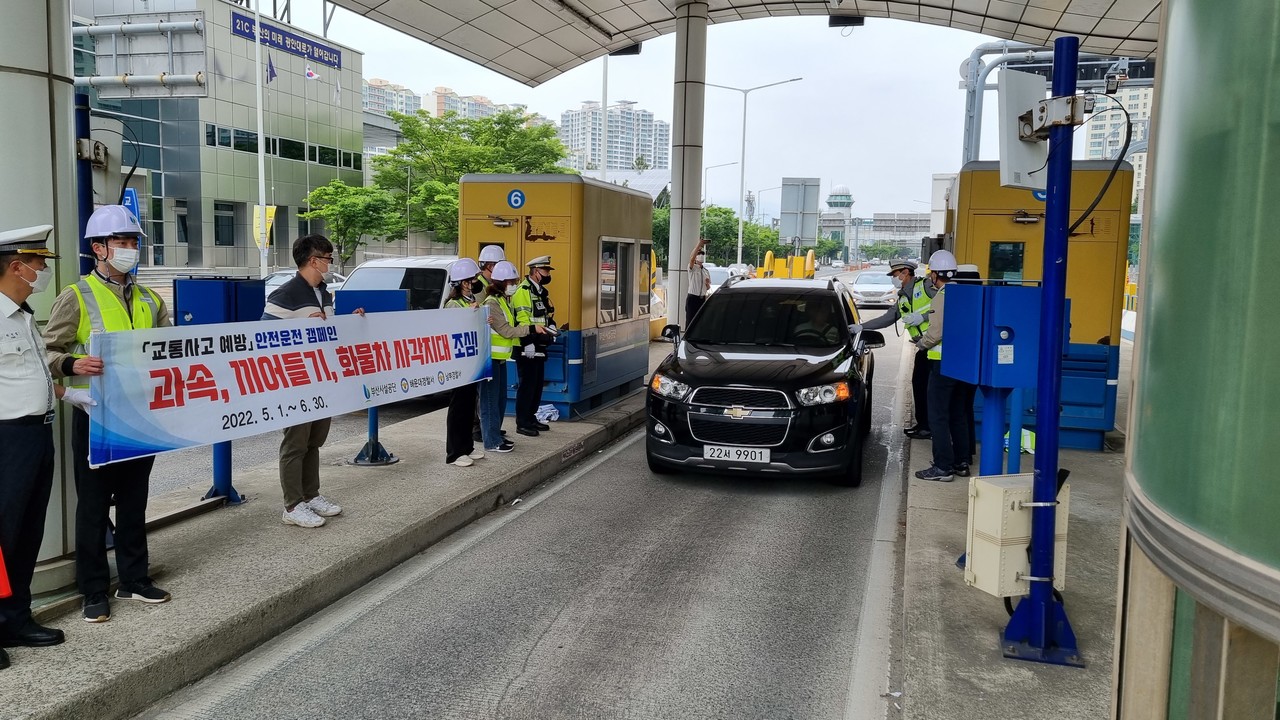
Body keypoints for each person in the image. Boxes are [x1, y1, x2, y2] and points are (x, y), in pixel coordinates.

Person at [43, 205, 172, 623]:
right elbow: (46, 353)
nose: (129, 249)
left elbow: (169, 350)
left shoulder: (152, 298)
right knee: (94, 507)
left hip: (141, 415)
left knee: (135, 502)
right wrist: (72, 365)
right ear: (98, 248)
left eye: (133, 242)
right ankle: (93, 590)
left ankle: (134, 579)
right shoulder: (76, 295)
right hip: (96, 415)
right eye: (121, 242)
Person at [0, 226, 89, 666]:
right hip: (5, 438)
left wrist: (68, 393)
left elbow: (30, 375)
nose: (42, 272)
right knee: (1, 535)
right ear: (16, 266)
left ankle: (14, 618)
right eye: (38, 264)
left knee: (26, 531)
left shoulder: (21, 313)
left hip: (35, 434)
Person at [261, 234, 361, 528]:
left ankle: (311, 494)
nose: (331, 262)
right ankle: (292, 505)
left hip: (321, 378)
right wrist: (304, 326)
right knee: (295, 442)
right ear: (313, 260)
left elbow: (330, 331)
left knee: (314, 440)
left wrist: (351, 321)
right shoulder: (285, 294)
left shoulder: (325, 293)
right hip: (294, 380)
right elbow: (265, 338)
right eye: (328, 257)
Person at [856, 259, 936, 439]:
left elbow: (946, 308)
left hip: (937, 346)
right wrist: (862, 327)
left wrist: (922, 317)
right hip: (923, 347)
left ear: (905, 272)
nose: (893, 278)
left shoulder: (926, 286)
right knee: (919, 385)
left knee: (930, 389)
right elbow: (887, 319)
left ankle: (928, 426)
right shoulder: (902, 297)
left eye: (894, 274)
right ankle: (923, 424)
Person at [913, 249, 970, 482]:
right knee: (958, 413)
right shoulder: (966, 293)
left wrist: (921, 344)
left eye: (931, 274)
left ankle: (942, 467)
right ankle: (961, 462)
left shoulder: (942, 296)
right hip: (963, 364)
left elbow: (935, 333)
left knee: (937, 415)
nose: (930, 278)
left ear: (936, 274)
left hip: (941, 363)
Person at [481, 261, 545, 453]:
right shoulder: (492, 302)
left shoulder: (502, 301)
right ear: (501, 282)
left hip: (499, 359)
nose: (514, 285)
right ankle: (492, 441)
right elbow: (506, 331)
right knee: (491, 402)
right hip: (489, 360)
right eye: (511, 281)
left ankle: (496, 435)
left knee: (500, 400)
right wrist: (532, 329)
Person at [443, 258, 486, 467]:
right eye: (473, 278)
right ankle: (454, 452)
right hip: (458, 363)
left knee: (469, 406)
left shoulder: (471, 300)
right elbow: (452, 330)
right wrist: (470, 314)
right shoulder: (453, 304)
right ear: (462, 282)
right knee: (458, 407)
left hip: (471, 361)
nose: (476, 281)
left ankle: (467, 447)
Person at [512, 255, 557, 437]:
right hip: (526, 347)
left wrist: (551, 324)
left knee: (537, 385)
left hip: (539, 344)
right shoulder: (523, 291)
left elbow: (544, 315)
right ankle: (522, 422)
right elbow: (522, 320)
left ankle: (531, 417)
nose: (547, 274)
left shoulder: (539, 292)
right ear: (535, 272)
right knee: (527, 386)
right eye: (545, 271)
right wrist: (528, 342)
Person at [472, 245, 506, 442]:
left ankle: (488, 428)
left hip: (489, 345)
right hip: (481, 345)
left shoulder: (490, 284)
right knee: (481, 395)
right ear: (490, 265)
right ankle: (479, 428)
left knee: (488, 395)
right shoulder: (480, 287)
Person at [685, 237, 711, 322]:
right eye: (699, 254)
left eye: (703, 254)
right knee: (690, 321)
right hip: (693, 298)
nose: (701, 256)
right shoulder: (692, 268)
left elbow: (708, 287)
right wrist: (699, 244)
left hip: (702, 299)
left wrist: (707, 284)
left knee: (700, 321)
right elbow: (691, 258)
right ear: (696, 257)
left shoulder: (706, 271)